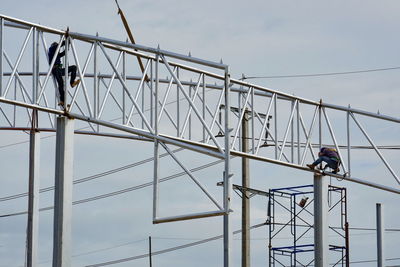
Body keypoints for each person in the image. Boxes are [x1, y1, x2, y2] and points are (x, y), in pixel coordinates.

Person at [48, 41, 80, 107]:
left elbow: (63, 53)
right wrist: (66, 41)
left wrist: (67, 46)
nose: (59, 49)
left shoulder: (57, 54)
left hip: (60, 69)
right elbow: (60, 45)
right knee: (61, 83)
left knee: (74, 67)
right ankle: (62, 100)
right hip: (55, 69)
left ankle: (72, 82)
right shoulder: (51, 49)